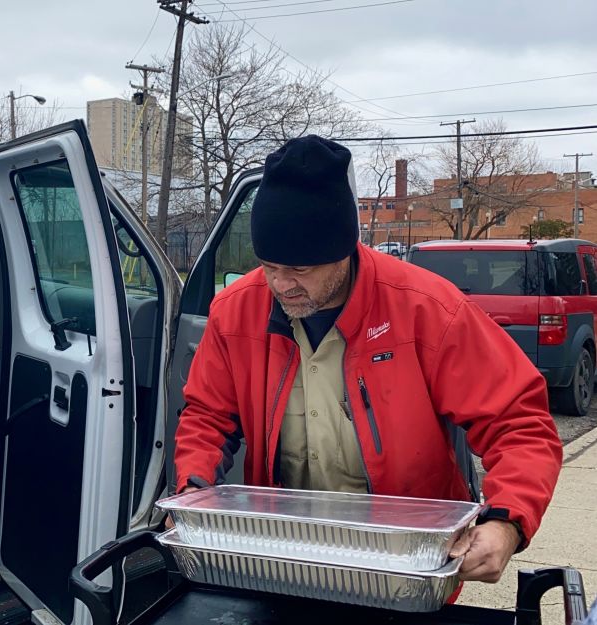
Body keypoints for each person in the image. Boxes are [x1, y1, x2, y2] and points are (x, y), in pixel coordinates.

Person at [173, 135, 563, 584]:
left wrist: (506, 522)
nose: (281, 286)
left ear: (343, 252)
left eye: (300, 270)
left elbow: (519, 424)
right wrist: (192, 494)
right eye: (269, 266)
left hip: (406, 560)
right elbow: (206, 418)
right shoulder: (235, 311)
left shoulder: (428, 309)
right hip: (284, 553)